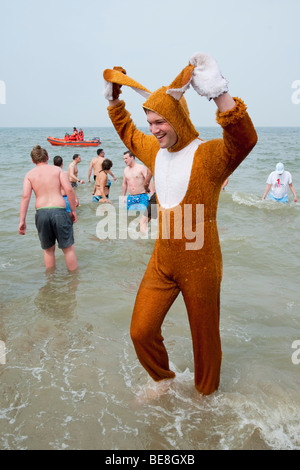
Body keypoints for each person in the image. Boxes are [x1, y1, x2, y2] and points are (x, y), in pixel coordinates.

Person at [103, 52, 257, 396]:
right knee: (141, 331)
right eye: (151, 123)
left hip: (201, 262)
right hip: (163, 260)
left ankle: (207, 400)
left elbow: (244, 140)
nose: (154, 130)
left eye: (160, 122)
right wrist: (114, 100)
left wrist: (218, 92)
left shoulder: (209, 154)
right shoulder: (155, 151)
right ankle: (163, 380)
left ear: (178, 118)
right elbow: (128, 131)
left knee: (205, 340)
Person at [18, 145, 78, 271]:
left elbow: (25, 197)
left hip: (42, 213)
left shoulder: (29, 175)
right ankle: (74, 282)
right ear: (48, 157)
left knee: (49, 251)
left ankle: (50, 283)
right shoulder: (58, 171)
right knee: (68, 249)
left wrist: (22, 221)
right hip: (60, 211)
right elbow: (69, 190)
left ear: (33, 160)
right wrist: (73, 210)